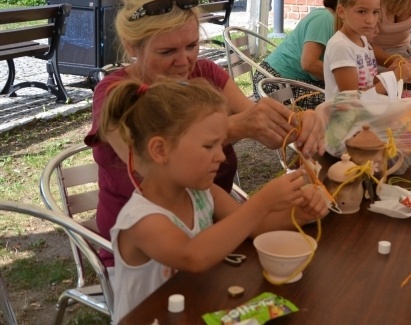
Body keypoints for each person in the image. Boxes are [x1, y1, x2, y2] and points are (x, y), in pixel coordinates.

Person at [87, 0, 325, 266]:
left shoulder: (200, 188)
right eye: (167, 51)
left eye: (192, 45)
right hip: (149, 256)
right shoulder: (116, 95)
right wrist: (235, 128)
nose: (184, 61)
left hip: (212, 230)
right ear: (131, 46)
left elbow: (269, 132)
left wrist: (303, 122)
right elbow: (141, 162)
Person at [103, 78, 328, 323]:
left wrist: (303, 213)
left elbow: (256, 227)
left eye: (220, 145)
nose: (221, 156)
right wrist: (263, 201)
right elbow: (193, 256)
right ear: (160, 150)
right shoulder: (141, 219)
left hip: (196, 309)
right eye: (209, 146)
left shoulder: (200, 192)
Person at [253, 0, 351, 109]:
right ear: (343, 5)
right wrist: (342, 77)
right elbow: (309, 64)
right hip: (274, 82)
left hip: (281, 80)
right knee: (344, 103)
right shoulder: (325, 18)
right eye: (361, 10)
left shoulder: (330, 19)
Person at [323, 0, 411, 100]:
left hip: (366, 115)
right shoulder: (341, 46)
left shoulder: (363, 42)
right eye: (362, 12)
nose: (370, 20)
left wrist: (390, 73)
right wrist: (394, 78)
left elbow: (368, 84)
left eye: (375, 12)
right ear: (342, 12)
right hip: (346, 118)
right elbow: (353, 99)